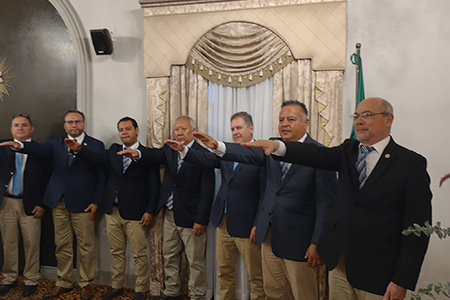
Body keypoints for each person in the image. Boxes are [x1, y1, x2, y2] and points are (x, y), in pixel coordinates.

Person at [243, 97, 432, 300]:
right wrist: (278, 146)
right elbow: (312, 154)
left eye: (367, 115)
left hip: (379, 271)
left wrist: (402, 280)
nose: (359, 121)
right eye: (356, 116)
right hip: (340, 263)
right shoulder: (349, 151)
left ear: (388, 119)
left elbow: (418, 229)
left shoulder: (410, 164)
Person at [193, 101, 337, 300]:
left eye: (291, 119)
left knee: (303, 294)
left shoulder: (320, 154)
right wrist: (218, 146)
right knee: (274, 293)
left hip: (300, 243)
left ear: (306, 123)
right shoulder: (273, 146)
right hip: (270, 237)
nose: (284, 124)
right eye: (281, 120)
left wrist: (316, 242)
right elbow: (248, 153)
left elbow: (326, 204)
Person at [0, 109, 106, 300]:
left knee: (86, 246)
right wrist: (18, 146)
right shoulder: (56, 143)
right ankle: (63, 282)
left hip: (84, 204)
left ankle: (86, 283)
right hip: (59, 202)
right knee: (62, 245)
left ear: (83, 123)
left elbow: (101, 171)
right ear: (64, 125)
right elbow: (36, 149)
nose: (74, 125)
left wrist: (96, 201)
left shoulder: (96, 145)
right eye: (69, 122)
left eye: (77, 122)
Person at [165, 112, 266, 300]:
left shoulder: (260, 152)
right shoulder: (227, 152)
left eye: (239, 128)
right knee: (224, 272)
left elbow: (263, 193)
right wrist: (184, 151)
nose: (235, 132)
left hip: (247, 224)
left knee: (255, 276)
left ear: (250, 128)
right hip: (223, 222)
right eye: (233, 128)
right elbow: (206, 160)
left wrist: (258, 223)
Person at [119, 115, 215, 300]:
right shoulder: (169, 149)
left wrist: (201, 219)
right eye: (177, 129)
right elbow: (155, 155)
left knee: (195, 260)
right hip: (170, 213)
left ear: (192, 132)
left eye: (183, 129)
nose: (179, 132)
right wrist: (138, 153)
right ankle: (172, 291)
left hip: (192, 216)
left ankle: (197, 295)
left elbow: (207, 190)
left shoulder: (204, 155)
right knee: (169, 255)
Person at [65, 116, 160, 300]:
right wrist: (79, 150)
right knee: (116, 252)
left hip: (136, 213)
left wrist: (150, 211)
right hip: (113, 211)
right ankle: (117, 285)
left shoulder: (147, 155)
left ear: (137, 130)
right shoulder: (113, 151)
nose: (124, 133)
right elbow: (96, 158)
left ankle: (140, 289)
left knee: (139, 253)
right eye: (121, 130)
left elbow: (155, 186)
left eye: (128, 129)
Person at [0, 114, 51, 297]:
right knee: (9, 243)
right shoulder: (2, 147)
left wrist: (43, 204)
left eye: (24, 125)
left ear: (31, 129)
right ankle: (9, 278)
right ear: (11, 129)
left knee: (32, 244)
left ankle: (31, 280)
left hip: (31, 205)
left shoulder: (40, 150)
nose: (20, 128)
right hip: (6, 203)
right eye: (16, 125)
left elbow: (47, 179)